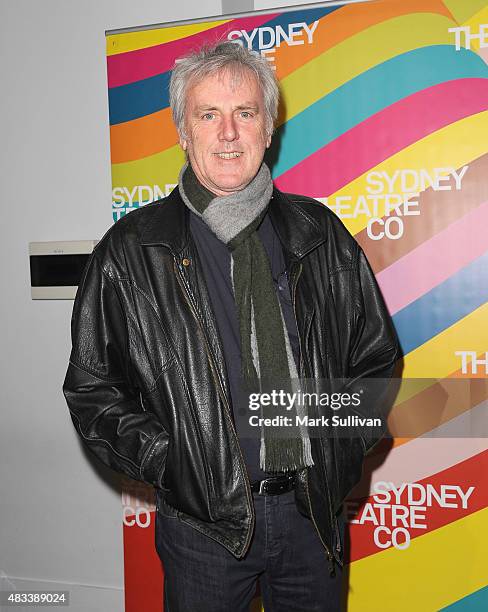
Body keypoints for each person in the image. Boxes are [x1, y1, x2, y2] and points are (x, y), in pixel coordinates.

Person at [63, 41, 399, 611]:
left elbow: (376, 360)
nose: (227, 133)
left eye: (244, 113)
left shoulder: (318, 235)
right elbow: (92, 391)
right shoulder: (130, 251)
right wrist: (172, 462)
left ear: (267, 128)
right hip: (202, 529)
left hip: (311, 517)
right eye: (208, 115)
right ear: (182, 131)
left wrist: (339, 451)